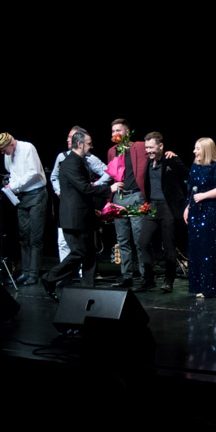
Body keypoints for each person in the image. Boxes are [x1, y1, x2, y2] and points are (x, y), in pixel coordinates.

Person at [41, 131, 121, 300]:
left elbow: (80, 192)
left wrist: (92, 209)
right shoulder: (71, 163)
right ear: (79, 144)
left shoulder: (80, 161)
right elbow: (84, 188)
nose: (91, 146)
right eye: (89, 143)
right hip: (74, 218)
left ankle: (87, 289)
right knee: (79, 253)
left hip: (83, 215)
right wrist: (109, 189)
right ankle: (49, 278)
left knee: (90, 253)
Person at [51, 125, 112, 262]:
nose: (69, 140)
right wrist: (59, 190)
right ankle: (66, 271)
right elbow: (54, 176)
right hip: (68, 204)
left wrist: (97, 184)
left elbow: (107, 172)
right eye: (68, 137)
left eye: (72, 137)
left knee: (82, 247)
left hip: (83, 206)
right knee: (64, 242)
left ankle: (77, 272)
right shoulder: (62, 157)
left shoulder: (89, 158)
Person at [138, 132, 188, 292]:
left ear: (161, 146)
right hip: (152, 206)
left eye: (151, 147)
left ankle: (169, 281)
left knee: (169, 245)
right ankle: (149, 279)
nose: (148, 151)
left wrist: (184, 201)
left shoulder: (171, 160)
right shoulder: (148, 161)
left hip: (168, 207)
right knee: (143, 242)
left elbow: (187, 175)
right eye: (147, 147)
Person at [0, 132, 47, 285]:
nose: (3, 153)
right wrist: (10, 187)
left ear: (12, 144)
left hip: (36, 195)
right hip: (21, 197)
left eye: (4, 150)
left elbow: (34, 172)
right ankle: (25, 271)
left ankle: (33, 273)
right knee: (24, 236)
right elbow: (12, 173)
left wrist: (14, 185)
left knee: (35, 237)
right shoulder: (8, 154)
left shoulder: (27, 148)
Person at [184, 138, 216, 299]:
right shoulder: (195, 167)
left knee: (209, 250)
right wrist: (187, 207)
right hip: (195, 212)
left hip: (211, 212)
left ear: (206, 150)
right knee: (196, 249)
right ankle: (198, 286)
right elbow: (191, 190)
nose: (194, 151)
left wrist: (203, 196)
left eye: (197, 148)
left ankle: (209, 287)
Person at [105, 118, 148, 288]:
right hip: (120, 197)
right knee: (122, 239)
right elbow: (110, 175)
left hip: (136, 197)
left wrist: (169, 154)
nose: (115, 134)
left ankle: (145, 276)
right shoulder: (112, 151)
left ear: (127, 132)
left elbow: (155, 152)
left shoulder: (140, 146)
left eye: (119, 130)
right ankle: (126, 275)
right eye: (113, 131)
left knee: (139, 239)